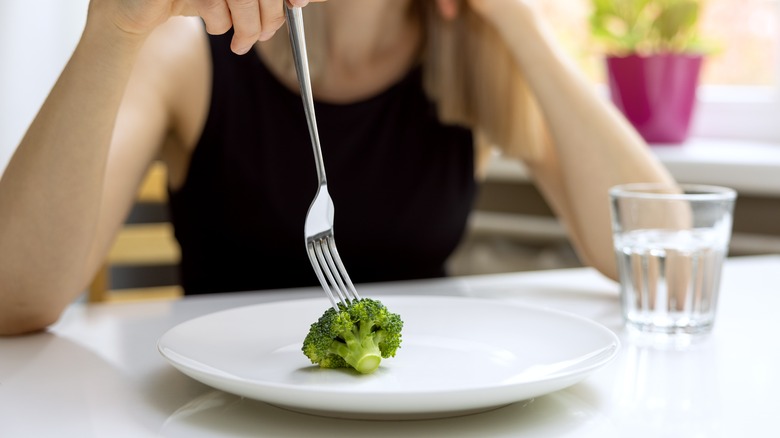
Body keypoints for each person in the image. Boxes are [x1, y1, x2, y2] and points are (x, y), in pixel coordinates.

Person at [0, 0, 674, 335]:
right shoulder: (188, 52)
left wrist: (520, 23)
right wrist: (114, 30)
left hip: (430, 418)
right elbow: (14, 298)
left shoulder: (473, 59)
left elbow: (665, 257)